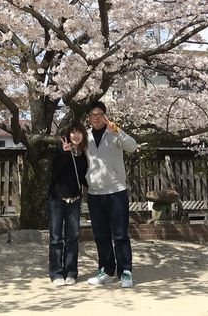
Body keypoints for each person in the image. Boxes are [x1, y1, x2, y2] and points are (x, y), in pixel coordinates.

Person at [85, 101, 138, 288]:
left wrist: (118, 131)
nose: (96, 117)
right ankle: (106, 271)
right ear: (89, 118)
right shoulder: (86, 136)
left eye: (100, 114)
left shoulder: (114, 133)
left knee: (120, 234)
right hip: (94, 193)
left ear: (105, 116)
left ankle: (125, 272)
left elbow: (132, 147)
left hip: (116, 191)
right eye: (93, 114)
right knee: (101, 235)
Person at [48, 120, 88, 286]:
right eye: (73, 132)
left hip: (75, 200)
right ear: (68, 135)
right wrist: (64, 154)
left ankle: (71, 272)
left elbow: (84, 177)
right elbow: (55, 173)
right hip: (57, 199)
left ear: (83, 135)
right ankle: (56, 273)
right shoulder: (60, 150)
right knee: (56, 238)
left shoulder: (84, 154)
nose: (76, 135)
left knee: (73, 237)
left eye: (79, 132)